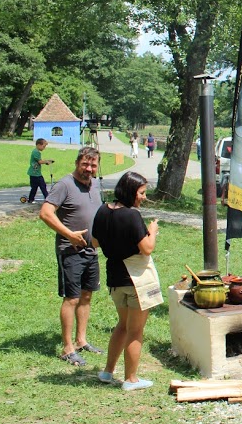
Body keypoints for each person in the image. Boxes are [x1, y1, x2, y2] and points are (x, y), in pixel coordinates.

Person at [91, 171, 160, 391]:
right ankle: (131, 379)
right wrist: (153, 231)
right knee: (135, 331)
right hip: (136, 280)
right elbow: (147, 248)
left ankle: (107, 372)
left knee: (122, 326)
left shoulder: (103, 210)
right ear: (130, 191)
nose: (143, 197)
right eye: (141, 193)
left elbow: (94, 242)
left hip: (115, 279)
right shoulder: (132, 216)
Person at [39, 146, 103, 367]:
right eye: (85, 164)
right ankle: (67, 349)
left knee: (86, 296)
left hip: (91, 250)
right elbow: (45, 213)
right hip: (70, 250)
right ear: (77, 163)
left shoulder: (95, 184)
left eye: (93, 165)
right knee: (72, 298)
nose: (89, 168)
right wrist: (69, 234)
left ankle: (81, 340)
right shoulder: (64, 185)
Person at [27, 138, 54, 204]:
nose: (44, 148)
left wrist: (47, 161)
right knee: (42, 186)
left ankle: (31, 199)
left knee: (34, 187)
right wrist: (47, 161)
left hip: (35, 173)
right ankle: (47, 199)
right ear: (39, 145)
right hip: (35, 174)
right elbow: (40, 161)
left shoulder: (36, 152)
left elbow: (40, 161)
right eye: (43, 146)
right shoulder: (36, 152)